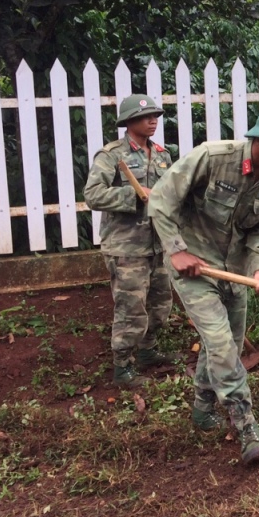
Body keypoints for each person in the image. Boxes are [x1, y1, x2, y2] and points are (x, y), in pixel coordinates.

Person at [148, 105, 259, 465]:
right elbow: (161, 200)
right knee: (222, 345)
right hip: (194, 266)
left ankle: (202, 405)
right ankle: (245, 424)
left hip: (235, 270)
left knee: (226, 344)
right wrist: (176, 251)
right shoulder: (212, 157)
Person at [84, 94, 175, 388]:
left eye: (155, 116)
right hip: (126, 247)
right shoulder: (111, 155)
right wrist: (133, 195)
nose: (153, 121)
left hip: (157, 244)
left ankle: (148, 351)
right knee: (131, 307)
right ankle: (122, 367)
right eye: (145, 116)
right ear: (129, 121)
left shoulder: (162, 154)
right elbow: (93, 195)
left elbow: (170, 194)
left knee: (160, 304)